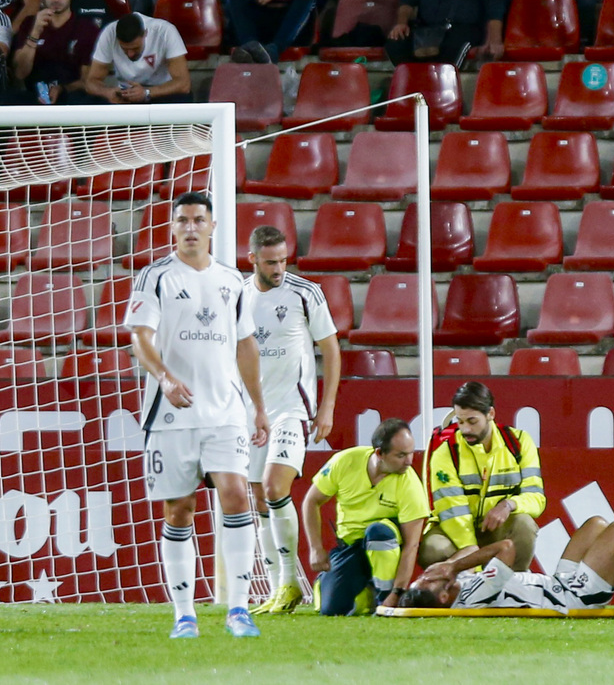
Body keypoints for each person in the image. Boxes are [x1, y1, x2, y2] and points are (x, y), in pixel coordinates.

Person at [125, 191, 269, 639]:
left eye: (198, 220)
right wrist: (165, 378)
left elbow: (246, 344)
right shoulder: (155, 277)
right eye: (182, 220)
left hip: (225, 410)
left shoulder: (232, 280)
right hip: (171, 415)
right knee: (179, 509)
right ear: (172, 227)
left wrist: (258, 406)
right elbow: (140, 337)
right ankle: (184, 614)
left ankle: (239, 609)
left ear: (212, 227)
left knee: (235, 494)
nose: (190, 228)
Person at [242, 225, 340, 616]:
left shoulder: (305, 292)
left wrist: (327, 406)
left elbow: (331, 350)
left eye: (283, 259)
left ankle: (290, 582)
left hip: (292, 408)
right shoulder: (238, 295)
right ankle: (278, 587)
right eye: (270, 262)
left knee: (273, 485)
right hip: (251, 411)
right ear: (253, 259)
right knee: (258, 499)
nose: (279, 267)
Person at [401, 516, 614, 615]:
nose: (429, 572)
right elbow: (506, 548)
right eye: (427, 579)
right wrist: (453, 567)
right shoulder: (472, 598)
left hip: (556, 584)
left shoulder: (458, 585)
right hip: (572, 598)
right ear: (443, 595)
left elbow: (472, 550)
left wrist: (452, 567)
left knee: (596, 525)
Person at [303, 418, 430, 615]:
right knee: (331, 610)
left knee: (379, 532)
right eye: (401, 455)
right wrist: (316, 548)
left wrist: (396, 593)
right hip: (350, 547)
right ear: (379, 453)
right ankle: (348, 587)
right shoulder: (344, 462)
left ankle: (383, 597)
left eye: (411, 453)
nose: (409, 461)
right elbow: (311, 501)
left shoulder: (410, 483)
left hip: (386, 547)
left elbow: (411, 545)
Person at [419, 381, 545, 572]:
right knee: (433, 548)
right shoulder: (445, 452)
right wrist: (474, 561)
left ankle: (513, 586)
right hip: (455, 532)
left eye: (472, 421)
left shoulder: (519, 443)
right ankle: (464, 593)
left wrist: (508, 505)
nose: (465, 429)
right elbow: (454, 513)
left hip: (496, 531)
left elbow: (536, 498)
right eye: (460, 422)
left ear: (490, 414)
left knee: (524, 524)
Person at [10, 0, 100, 105]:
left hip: (70, 97)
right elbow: (20, 73)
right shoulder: (29, 24)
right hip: (33, 96)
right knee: (3, 101)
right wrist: (35, 33)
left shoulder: (87, 28)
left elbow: (87, 81)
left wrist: (63, 89)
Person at [83, 12, 191, 103]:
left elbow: (183, 83)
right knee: (88, 100)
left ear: (145, 34)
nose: (130, 54)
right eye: (124, 49)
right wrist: (107, 92)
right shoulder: (108, 33)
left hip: (160, 90)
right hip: (126, 93)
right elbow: (91, 82)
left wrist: (146, 92)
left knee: (183, 99)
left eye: (135, 48)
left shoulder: (165, 31)